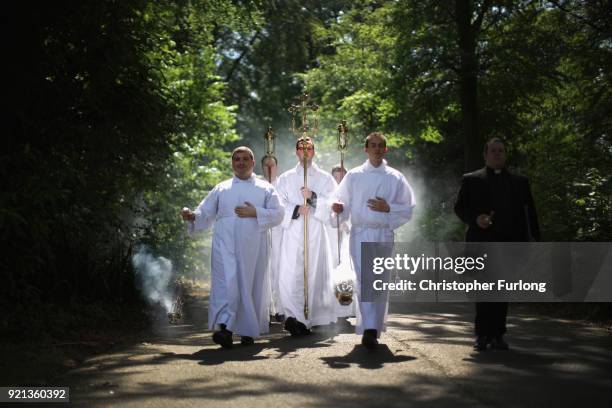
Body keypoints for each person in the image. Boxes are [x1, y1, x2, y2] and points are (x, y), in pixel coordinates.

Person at [181, 147, 284, 348]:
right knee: (224, 285)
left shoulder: (265, 188)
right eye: (236, 159)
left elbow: (279, 214)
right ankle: (225, 329)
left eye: (245, 159)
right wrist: (193, 216)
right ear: (232, 163)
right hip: (224, 245)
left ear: (253, 163)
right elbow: (205, 212)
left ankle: (247, 331)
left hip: (253, 247)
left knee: (248, 285)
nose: (241, 162)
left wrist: (256, 212)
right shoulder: (222, 188)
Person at [454, 137, 540, 351]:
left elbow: (530, 213)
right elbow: (459, 208)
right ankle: (482, 335)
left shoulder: (520, 182)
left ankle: (498, 335)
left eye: (501, 150)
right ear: (485, 155)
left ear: (505, 154)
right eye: (493, 151)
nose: (497, 154)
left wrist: (536, 239)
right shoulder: (471, 179)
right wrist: (476, 218)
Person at [332, 132, 416, 349]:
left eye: (381, 146)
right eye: (373, 146)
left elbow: (408, 208)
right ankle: (369, 328)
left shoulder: (395, 177)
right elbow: (341, 202)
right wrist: (338, 208)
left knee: (379, 280)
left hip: (382, 234)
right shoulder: (354, 176)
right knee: (364, 280)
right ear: (366, 149)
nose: (377, 149)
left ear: (385, 149)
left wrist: (389, 208)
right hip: (360, 233)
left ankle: (374, 326)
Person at [276, 137, 338, 335]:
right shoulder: (285, 178)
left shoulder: (325, 178)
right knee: (290, 273)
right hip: (293, 231)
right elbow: (277, 204)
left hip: (315, 232)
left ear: (314, 151)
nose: (305, 152)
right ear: (296, 151)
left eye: (309, 148)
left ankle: (309, 316)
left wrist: (313, 198)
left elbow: (334, 204)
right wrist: (294, 209)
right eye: (301, 148)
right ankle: (294, 316)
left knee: (312, 272)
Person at [328, 165, 355, 323]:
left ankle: (344, 309)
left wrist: (346, 223)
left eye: (341, 178)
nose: (338, 181)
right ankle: (331, 310)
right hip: (331, 240)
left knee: (346, 274)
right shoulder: (329, 195)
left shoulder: (351, 195)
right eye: (336, 178)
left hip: (346, 240)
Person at [261, 154, 284, 323]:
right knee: (264, 271)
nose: (269, 169)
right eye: (266, 166)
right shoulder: (257, 185)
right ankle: (265, 309)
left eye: (272, 165)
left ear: (277, 167)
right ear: (261, 168)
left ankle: (281, 308)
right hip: (262, 233)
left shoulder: (282, 185)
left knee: (279, 270)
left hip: (280, 233)